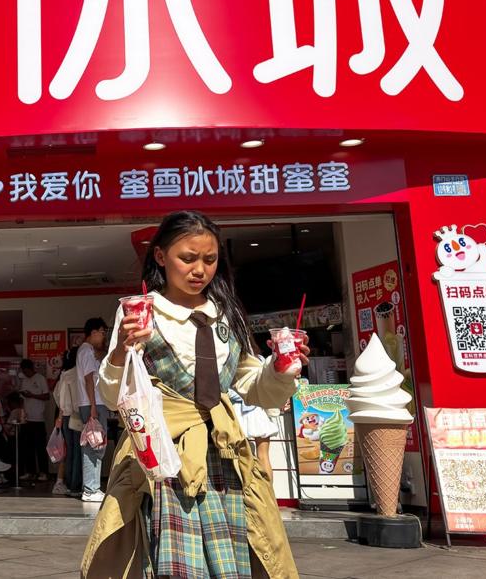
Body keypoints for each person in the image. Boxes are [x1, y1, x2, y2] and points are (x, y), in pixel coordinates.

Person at [82, 212, 306, 578]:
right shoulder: (141, 313)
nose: (200, 269)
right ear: (160, 256)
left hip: (224, 452)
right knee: (174, 564)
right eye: (188, 258)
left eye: (210, 259)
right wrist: (123, 349)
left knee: (234, 557)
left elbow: (253, 386)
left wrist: (280, 368)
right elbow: (113, 394)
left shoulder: (227, 314)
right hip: (163, 457)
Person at [75, 317, 109, 502]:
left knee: (96, 444)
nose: (103, 336)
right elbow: (89, 380)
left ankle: (93, 487)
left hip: (92, 403)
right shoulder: (86, 351)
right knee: (91, 445)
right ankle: (90, 488)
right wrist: (94, 407)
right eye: (102, 332)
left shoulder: (88, 351)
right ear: (93, 332)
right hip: (92, 403)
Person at [229, 387, 282, 481]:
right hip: (258, 411)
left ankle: (250, 491)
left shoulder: (232, 374)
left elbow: (227, 392)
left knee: (241, 457)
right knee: (263, 456)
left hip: (238, 414)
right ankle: (268, 492)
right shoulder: (260, 373)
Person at [52, 347, 82, 495]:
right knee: (78, 451)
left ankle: (70, 483)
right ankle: (76, 485)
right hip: (77, 415)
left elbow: (57, 395)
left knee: (69, 450)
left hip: (64, 416)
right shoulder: (78, 373)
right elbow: (78, 398)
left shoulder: (64, 374)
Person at [17, 359, 51, 483]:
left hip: (38, 419)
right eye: (23, 371)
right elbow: (21, 398)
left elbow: (47, 396)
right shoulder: (24, 380)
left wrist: (32, 395)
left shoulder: (40, 378)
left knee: (40, 447)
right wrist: (21, 411)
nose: (25, 373)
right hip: (27, 419)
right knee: (28, 447)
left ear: (31, 368)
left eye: (26, 371)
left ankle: (44, 472)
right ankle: (30, 472)